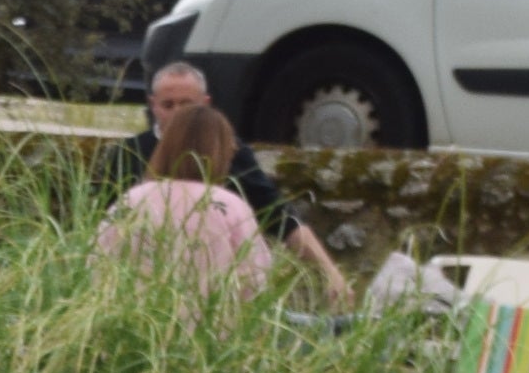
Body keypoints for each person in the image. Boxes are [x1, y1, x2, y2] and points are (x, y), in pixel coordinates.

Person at [105, 57, 352, 303]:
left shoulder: (234, 154)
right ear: (153, 105)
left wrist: (329, 271)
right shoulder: (130, 153)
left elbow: (279, 216)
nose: (178, 115)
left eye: (186, 105)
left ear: (205, 104)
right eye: (168, 105)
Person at [99, 101, 280, 293]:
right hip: (211, 320)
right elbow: (254, 278)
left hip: (134, 317)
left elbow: (98, 262)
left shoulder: (133, 200)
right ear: (220, 151)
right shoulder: (230, 206)